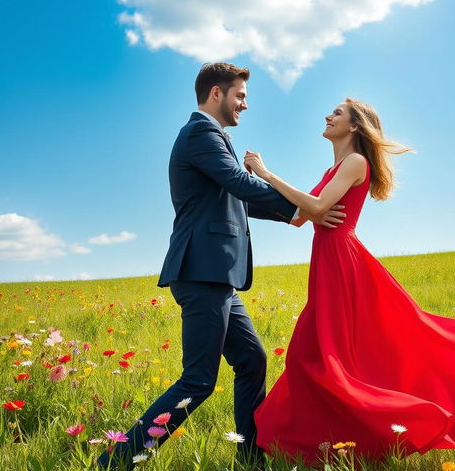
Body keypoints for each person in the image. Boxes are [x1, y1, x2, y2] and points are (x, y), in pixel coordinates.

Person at [98, 63, 345, 470]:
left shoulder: (215, 139)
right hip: (201, 271)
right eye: (240, 96)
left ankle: (251, 459)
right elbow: (238, 181)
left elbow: (237, 198)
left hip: (218, 277)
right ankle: (117, 460)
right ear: (217, 93)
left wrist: (291, 216)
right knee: (197, 381)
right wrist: (301, 206)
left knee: (252, 361)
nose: (245, 104)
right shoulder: (200, 133)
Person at [244, 98, 455, 465]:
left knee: (326, 356)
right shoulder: (334, 167)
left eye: (337, 113)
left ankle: (391, 427)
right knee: (310, 354)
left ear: (355, 126)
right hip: (328, 263)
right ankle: (310, 444)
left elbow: (318, 206)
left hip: (343, 263)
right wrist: (243, 198)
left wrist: (266, 173)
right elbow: (300, 216)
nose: (328, 115)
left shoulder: (356, 162)